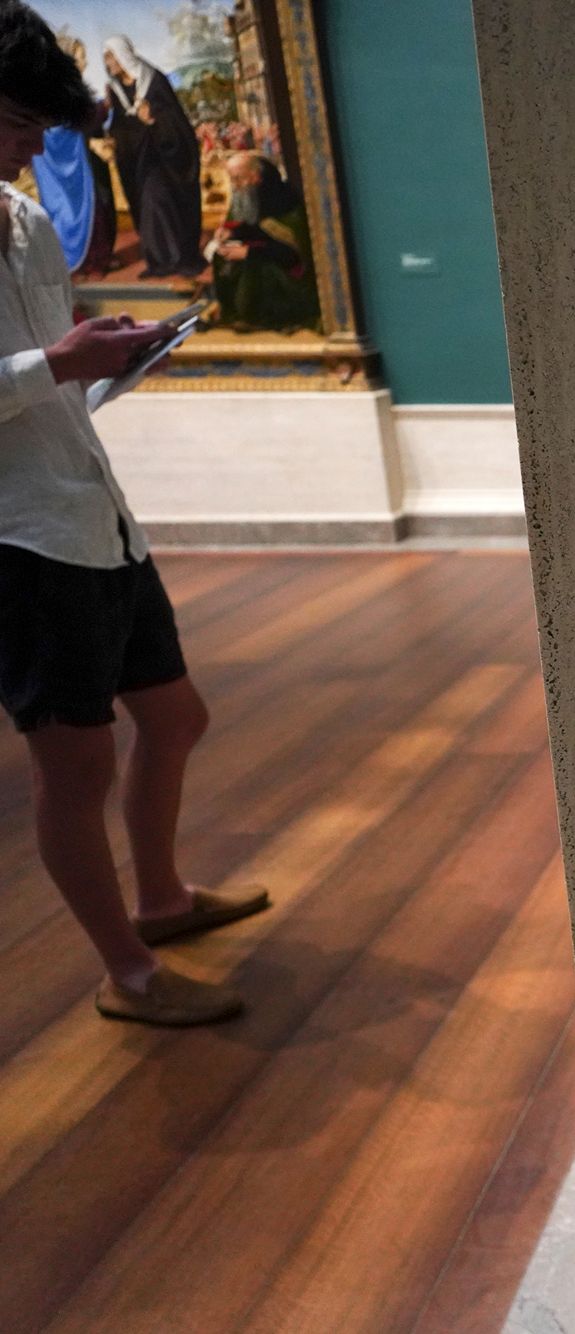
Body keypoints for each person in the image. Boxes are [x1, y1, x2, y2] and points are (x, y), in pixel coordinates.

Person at [0, 0, 267, 1026]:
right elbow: (35, 367)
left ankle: (159, 900)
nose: (32, 151)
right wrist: (57, 362)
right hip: (21, 537)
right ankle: (129, 973)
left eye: (40, 129)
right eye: (17, 125)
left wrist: (100, 349)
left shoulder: (23, 220)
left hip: (92, 510)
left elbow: (42, 357)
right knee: (75, 767)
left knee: (175, 715)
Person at [103, 34, 204, 279]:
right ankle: (159, 261)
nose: (107, 63)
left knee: (156, 200)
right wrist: (115, 139)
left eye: (111, 57)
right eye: (106, 58)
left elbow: (174, 120)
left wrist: (152, 121)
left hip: (164, 158)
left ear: (123, 55)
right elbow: (120, 125)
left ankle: (176, 258)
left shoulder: (152, 80)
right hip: (136, 159)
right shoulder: (115, 90)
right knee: (147, 204)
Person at [206, 153, 320, 332]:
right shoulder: (250, 196)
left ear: (255, 177)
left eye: (238, 179)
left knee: (253, 264)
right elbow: (254, 229)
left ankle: (255, 316)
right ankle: (231, 310)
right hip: (264, 254)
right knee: (221, 257)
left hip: (290, 276)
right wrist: (231, 233)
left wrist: (249, 252)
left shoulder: (284, 200)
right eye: (232, 179)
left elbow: (292, 255)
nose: (234, 185)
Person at [27, 33, 111, 275]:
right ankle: (88, 263)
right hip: (64, 164)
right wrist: (103, 108)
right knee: (79, 211)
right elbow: (69, 123)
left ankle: (92, 261)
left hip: (67, 161)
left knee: (89, 210)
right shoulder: (60, 90)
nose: (85, 63)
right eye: (80, 58)